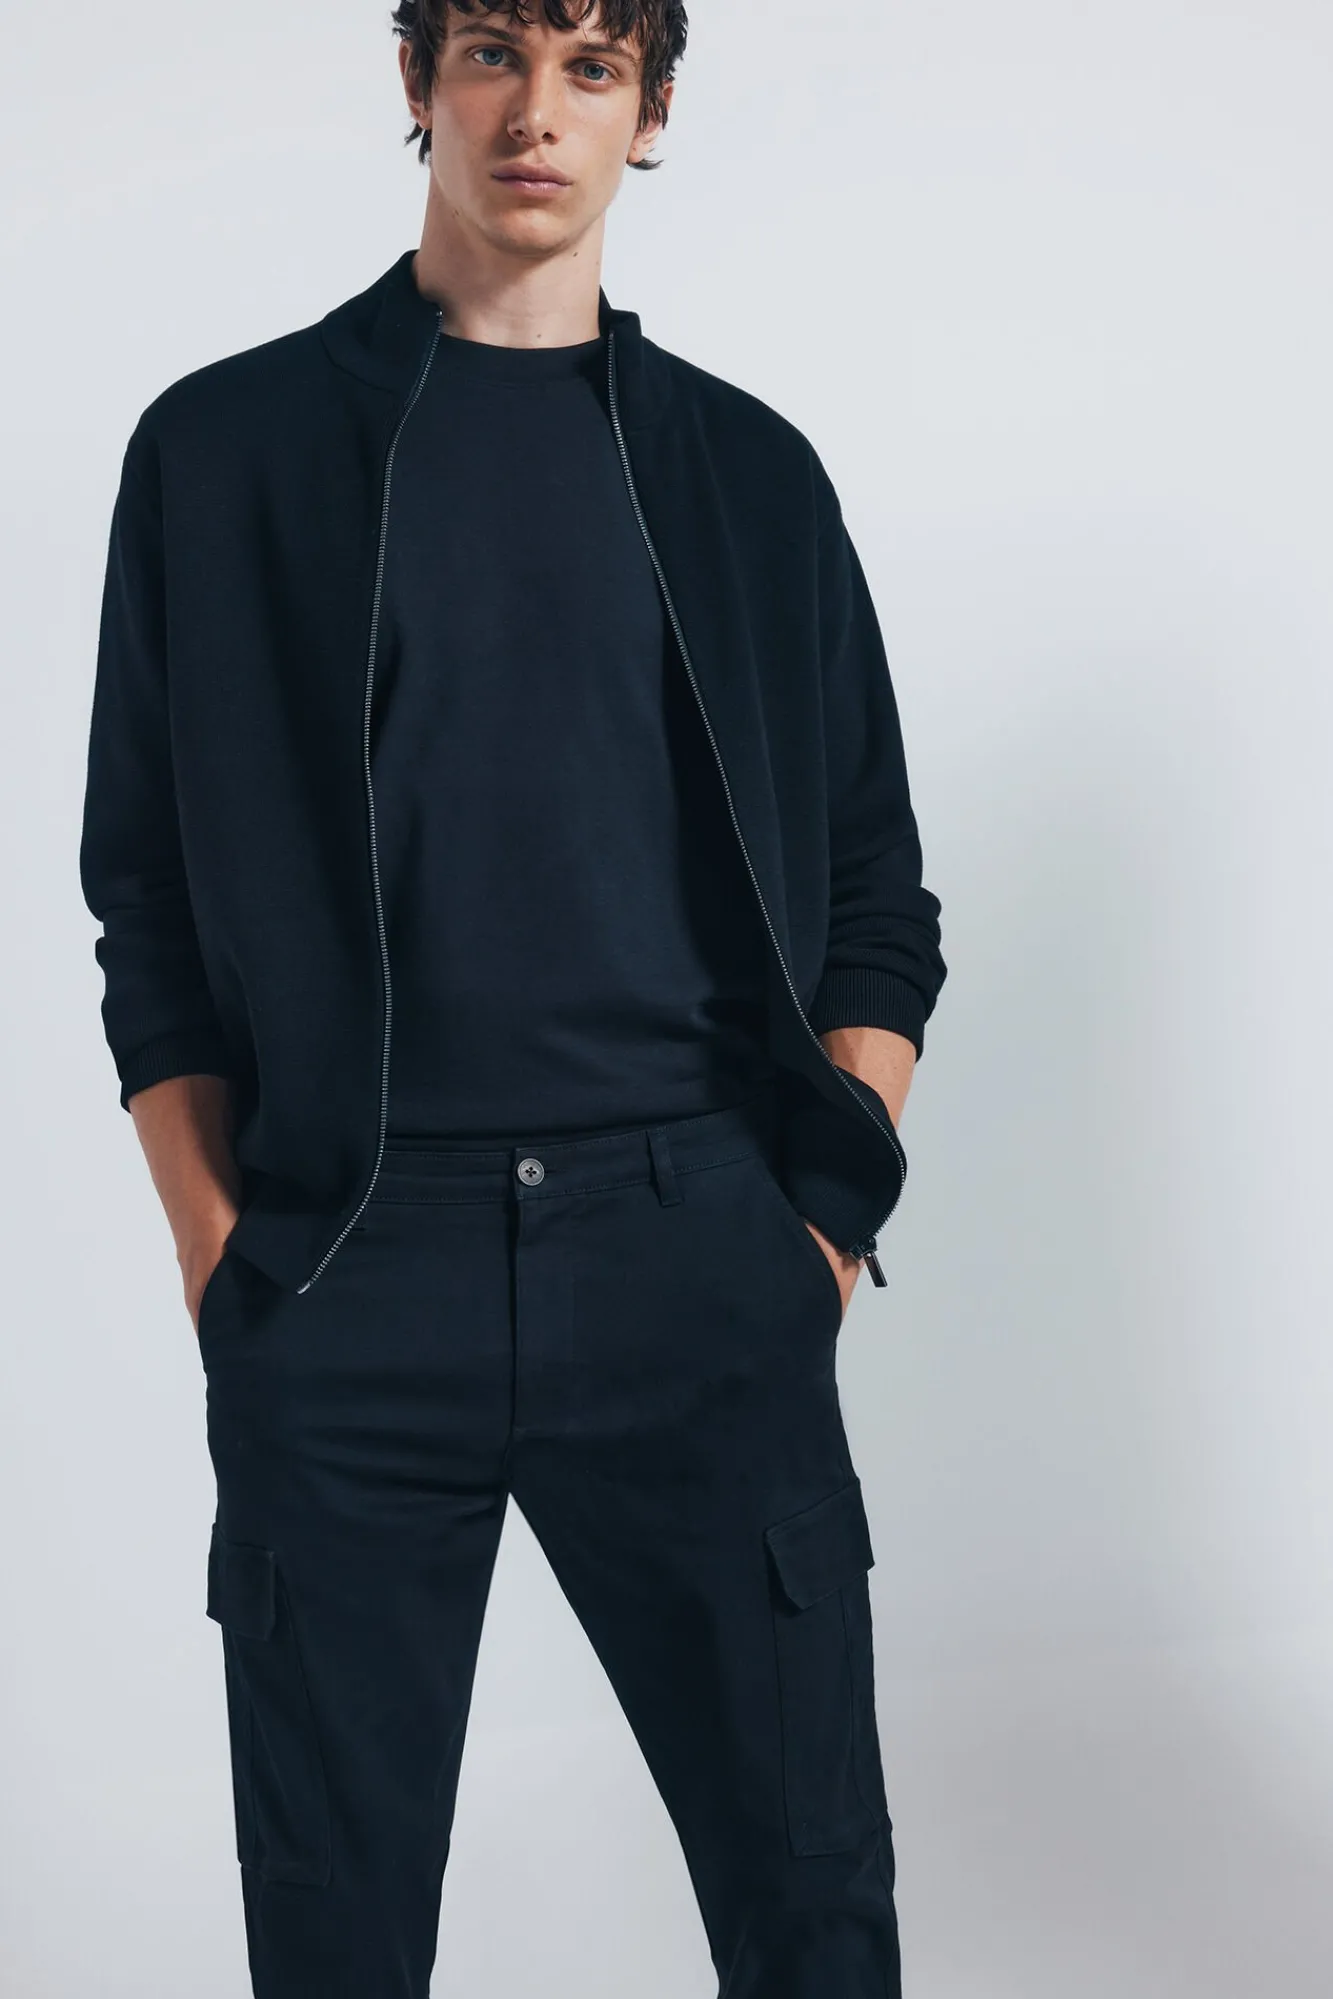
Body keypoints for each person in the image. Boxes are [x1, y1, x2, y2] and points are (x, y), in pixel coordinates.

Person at [78, 2, 947, 1992]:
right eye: (489, 51)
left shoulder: (750, 478)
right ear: (417, 84)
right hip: (351, 1261)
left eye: (588, 64)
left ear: (652, 109)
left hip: (696, 1248)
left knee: (814, 1913)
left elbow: (875, 897)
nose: (534, 110)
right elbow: (149, 901)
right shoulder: (225, 456)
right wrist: (220, 1255)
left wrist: (813, 1232)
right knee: (339, 1938)